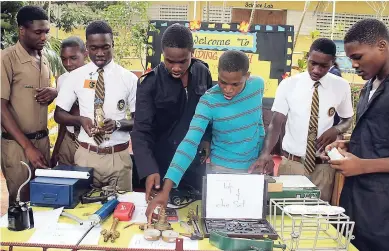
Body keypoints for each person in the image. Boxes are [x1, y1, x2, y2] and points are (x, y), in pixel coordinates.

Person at [146, 50, 267, 217]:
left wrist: (264, 153)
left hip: (253, 171)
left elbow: (257, 123)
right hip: (220, 173)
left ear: (247, 75)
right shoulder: (208, 100)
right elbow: (189, 142)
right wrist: (166, 189)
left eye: (235, 84)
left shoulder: (258, 86)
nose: (228, 89)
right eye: (223, 82)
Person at [251, 38, 354, 202]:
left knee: (318, 220)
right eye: (313, 63)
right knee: (284, 216)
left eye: (323, 66)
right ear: (307, 57)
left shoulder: (341, 86)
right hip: (292, 165)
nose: (316, 70)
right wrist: (265, 153)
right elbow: (276, 123)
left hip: (324, 168)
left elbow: (348, 119)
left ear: (332, 63)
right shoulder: (289, 85)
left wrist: (336, 129)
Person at [323, 19, 389, 251]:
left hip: (382, 215)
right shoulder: (369, 85)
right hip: (355, 204)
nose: (353, 65)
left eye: (358, 57)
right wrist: (349, 144)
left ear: (381, 46)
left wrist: (362, 165)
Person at [131, 24, 213, 201]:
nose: (176, 68)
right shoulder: (149, 83)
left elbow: (209, 111)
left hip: (193, 164)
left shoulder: (202, 72)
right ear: (163, 54)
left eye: (182, 61)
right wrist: (148, 169)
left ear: (192, 52)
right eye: (170, 61)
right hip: (161, 166)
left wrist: (206, 139)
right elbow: (141, 132)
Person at [54, 21, 137, 191]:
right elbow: (59, 114)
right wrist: (80, 120)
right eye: (94, 48)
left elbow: (140, 121)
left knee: (120, 212)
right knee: (83, 211)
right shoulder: (75, 77)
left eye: (105, 47)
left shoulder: (129, 79)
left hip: (118, 159)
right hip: (86, 156)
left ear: (113, 44)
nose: (100, 53)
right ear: (87, 48)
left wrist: (118, 124)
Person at [1, 6, 57, 203]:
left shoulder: (44, 60)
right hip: (17, 146)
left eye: (46, 32)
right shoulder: (6, 59)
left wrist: (53, 93)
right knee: (21, 203)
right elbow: (1, 108)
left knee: (45, 201)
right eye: (38, 32)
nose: (44, 38)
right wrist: (27, 147)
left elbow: (43, 96)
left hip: (42, 143)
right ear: (22, 30)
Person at [50, 36, 87, 167]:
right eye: (64, 59)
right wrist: (57, 149)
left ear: (85, 54)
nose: (68, 64)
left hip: (88, 142)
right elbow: (62, 120)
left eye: (73, 58)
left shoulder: (95, 79)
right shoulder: (62, 80)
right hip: (68, 139)